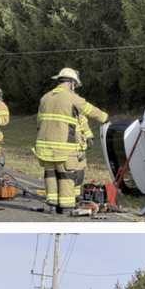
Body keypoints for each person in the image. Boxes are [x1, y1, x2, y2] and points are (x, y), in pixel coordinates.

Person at [34, 67, 108, 214]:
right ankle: (66, 208)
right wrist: (105, 117)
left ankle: (52, 205)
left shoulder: (45, 97)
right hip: (64, 148)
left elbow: (38, 123)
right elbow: (90, 110)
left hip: (44, 147)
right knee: (66, 176)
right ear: (72, 83)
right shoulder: (71, 97)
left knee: (50, 175)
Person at [74, 114, 95, 200]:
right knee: (74, 175)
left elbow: (87, 132)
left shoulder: (81, 118)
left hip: (78, 151)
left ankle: (76, 195)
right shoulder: (80, 117)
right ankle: (71, 196)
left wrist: (89, 139)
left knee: (78, 176)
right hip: (74, 151)